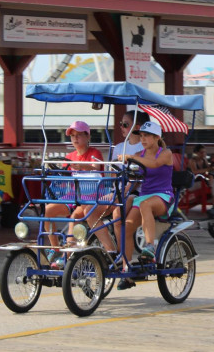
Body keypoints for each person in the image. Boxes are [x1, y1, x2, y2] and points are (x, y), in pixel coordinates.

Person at [71, 110, 151, 254]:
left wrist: (121, 192)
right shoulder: (119, 147)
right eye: (121, 124)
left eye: (125, 124)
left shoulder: (143, 148)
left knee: (117, 215)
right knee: (89, 211)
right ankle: (111, 250)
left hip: (136, 192)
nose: (121, 127)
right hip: (118, 191)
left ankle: (124, 257)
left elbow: (138, 178)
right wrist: (114, 191)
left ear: (137, 127)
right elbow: (113, 172)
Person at [115, 121, 174, 289]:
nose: (143, 139)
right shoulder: (140, 153)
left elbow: (154, 165)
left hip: (163, 196)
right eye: (141, 136)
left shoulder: (166, 153)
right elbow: (134, 176)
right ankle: (126, 270)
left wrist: (131, 157)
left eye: (147, 135)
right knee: (127, 226)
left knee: (145, 205)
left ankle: (150, 247)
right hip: (144, 197)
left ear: (157, 137)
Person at [44, 120, 102, 268]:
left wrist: (82, 166)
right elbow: (64, 180)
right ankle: (55, 248)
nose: (75, 138)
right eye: (73, 136)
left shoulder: (95, 153)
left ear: (88, 137)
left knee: (74, 218)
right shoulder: (69, 156)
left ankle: (66, 256)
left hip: (90, 197)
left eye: (79, 135)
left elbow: (96, 167)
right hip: (72, 196)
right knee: (47, 210)